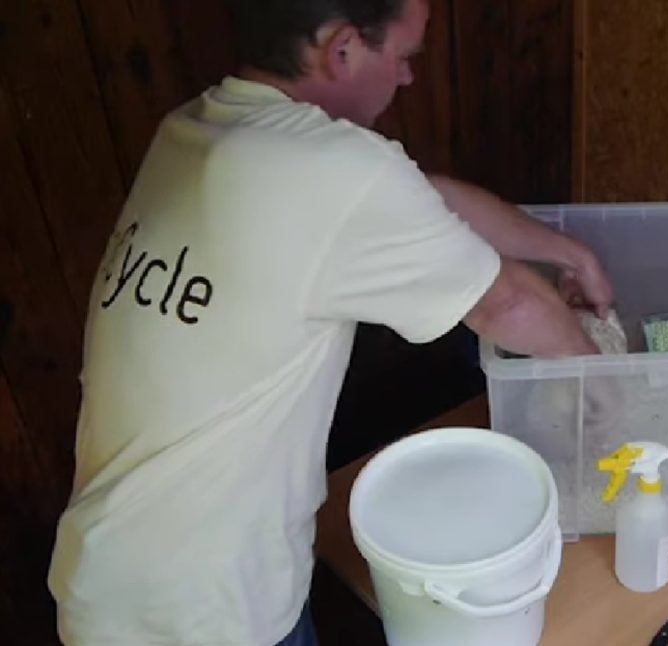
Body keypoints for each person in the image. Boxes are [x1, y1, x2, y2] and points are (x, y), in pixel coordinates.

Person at [47, 0, 615, 644]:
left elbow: (423, 199)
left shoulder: (197, 128)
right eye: (403, 57)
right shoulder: (337, 174)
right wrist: (605, 387)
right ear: (342, 49)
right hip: (211, 612)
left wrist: (570, 254)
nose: (406, 78)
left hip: (106, 581)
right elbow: (506, 304)